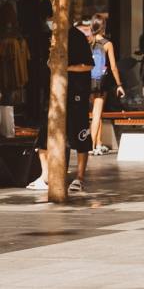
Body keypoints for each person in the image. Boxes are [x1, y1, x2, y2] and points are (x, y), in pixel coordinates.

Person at [27, 22, 95, 192]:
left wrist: (65, 68)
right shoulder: (49, 37)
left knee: (79, 134)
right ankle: (45, 176)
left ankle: (80, 177)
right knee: (44, 135)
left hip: (75, 93)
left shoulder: (77, 37)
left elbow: (88, 65)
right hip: (52, 94)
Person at [88, 14, 125, 156]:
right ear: (103, 27)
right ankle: (91, 146)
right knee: (97, 114)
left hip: (89, 81)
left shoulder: (88, 43)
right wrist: (119, 84)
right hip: (101, 82)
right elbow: (114, 67)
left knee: (96, 113)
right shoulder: (107, 44)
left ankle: (99, 143)